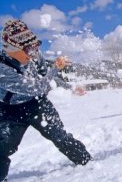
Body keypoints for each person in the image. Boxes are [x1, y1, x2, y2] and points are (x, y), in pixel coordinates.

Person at [0, 20, 91, 181]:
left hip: (37, 104)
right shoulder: (2, 68)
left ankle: (87, 162)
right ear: (12, 49)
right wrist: (56, 68)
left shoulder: (34, 55)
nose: (34, 52)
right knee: (2, 146)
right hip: (11, 110)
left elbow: (46, 76)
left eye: (35, 46)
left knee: (59, 136)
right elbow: (36, 87)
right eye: (28, 49)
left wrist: (69, 87)